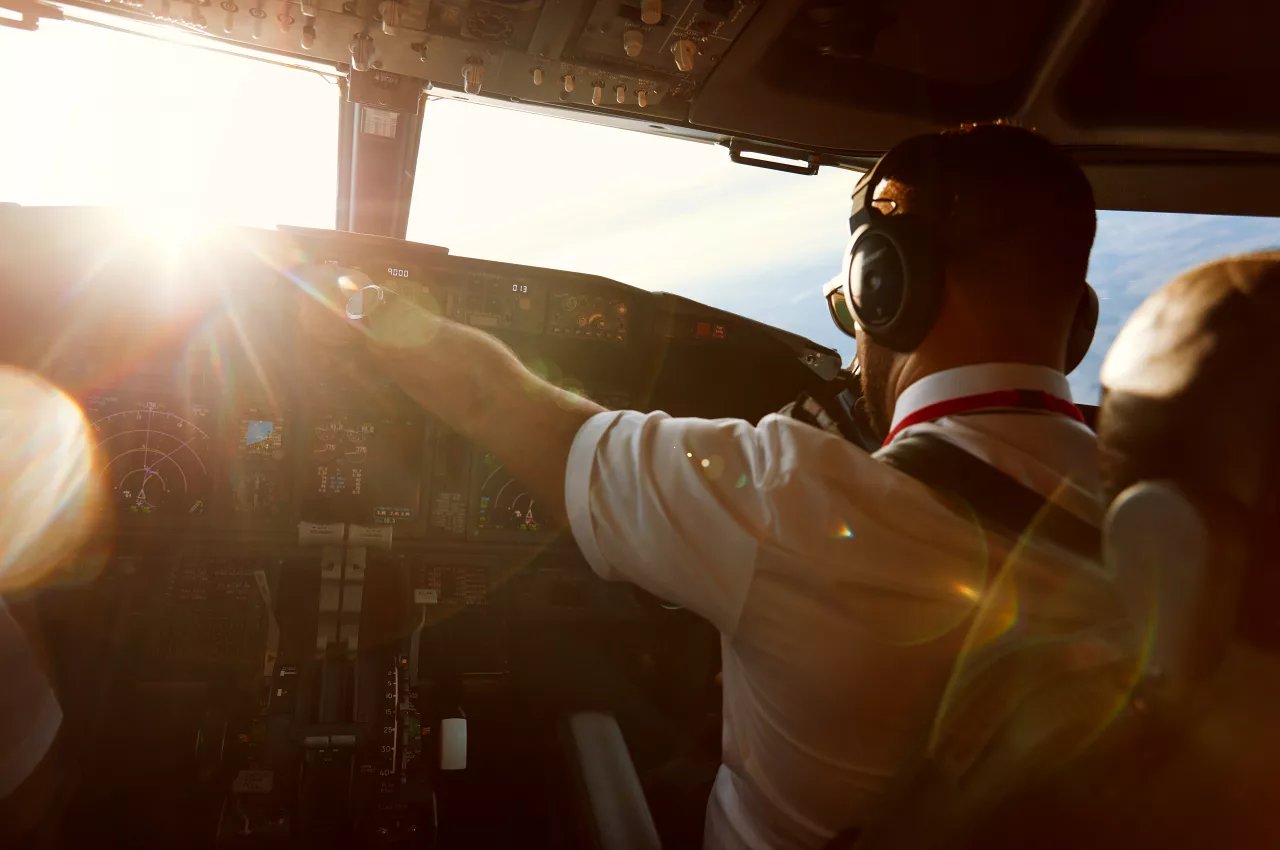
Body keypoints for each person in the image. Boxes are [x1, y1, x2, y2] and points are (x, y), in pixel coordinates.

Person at [334, 123, 1122, 849]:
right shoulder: (1159, 522)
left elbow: (491, 402)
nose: (854, 348)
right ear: (1077, 319)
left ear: (884, 283)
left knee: (565, 710)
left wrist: (349, 300)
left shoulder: (795, 499)